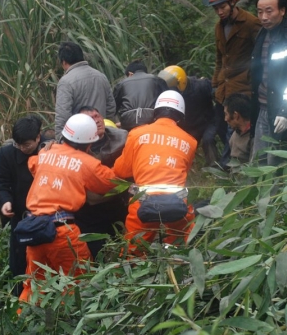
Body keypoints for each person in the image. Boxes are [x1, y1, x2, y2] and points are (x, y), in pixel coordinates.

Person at [19, 114, 117, 302]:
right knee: (78, 283)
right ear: (89, 143)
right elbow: (110, 182)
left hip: (34, 229)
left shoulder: (47, 151)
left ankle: (23, 322)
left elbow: (33, 165)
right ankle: (73, 325)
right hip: (62, 232)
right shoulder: (87, 163)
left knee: (34, 286)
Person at [113, 90, 197, 254]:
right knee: (179, 248)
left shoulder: (136, 134)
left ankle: (134, 276)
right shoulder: (190, 141)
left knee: (133, 253)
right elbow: (183, 171)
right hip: (178, 205)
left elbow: (121, 171)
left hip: (142, 202)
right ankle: (175, 269)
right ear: (180, 116)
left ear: (155, 112)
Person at [202, 0, 261, 168]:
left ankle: (230, 166)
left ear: (232, 3)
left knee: (233, 129)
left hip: (242, 87)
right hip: (223, 88)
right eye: (216, 9)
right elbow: (220, 58)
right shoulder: (219, 27)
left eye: (222, 7)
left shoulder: (250, 23)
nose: (219, 12)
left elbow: (260, 55)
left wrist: (254, 81)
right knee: (220, 126)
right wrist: (215, 84)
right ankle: (227, 162)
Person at [250, 0, 287, 165]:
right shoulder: (263, 34)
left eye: (269, 11)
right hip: (263, 105)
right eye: (260, 12)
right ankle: (258, 192)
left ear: (282, 11)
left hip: (280, 108)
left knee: (276, 162)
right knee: (259, 159)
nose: (264, 17)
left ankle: (276, 192)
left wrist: (286, 111)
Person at [0, 115, 44, 296]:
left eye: (27, 145)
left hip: (47, 218)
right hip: (20, 217)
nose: (22, 148)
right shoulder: (7, 153)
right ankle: (19, 300)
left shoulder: (50, 150)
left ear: (38, 137)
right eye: (18, 144)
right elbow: (0, 181)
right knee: (19, 264)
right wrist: (5, 201)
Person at [75, 106, 128, 258]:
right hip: (88, 214)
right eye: (91, 118)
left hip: (118, 207)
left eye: (97, 115)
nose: (97, 120)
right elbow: (91, 197)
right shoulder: (74, 146)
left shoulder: (122, 138)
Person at [54, 41, 116, 139]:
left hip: (80, 138)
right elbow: (111, 107)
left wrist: (60, 140)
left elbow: (62, 114)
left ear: (64, 62)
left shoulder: (66, 81)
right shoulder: (101, 76)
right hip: (101, 135)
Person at [158, 66, 215, 165]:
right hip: (188, 126)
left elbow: (217, 95)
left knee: (208, 139)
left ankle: (214, 168)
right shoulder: (169, 93)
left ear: (181, 82)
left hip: (206, 122)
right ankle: (178, 165)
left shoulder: (201, 85)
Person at [113, 60, 167, 131]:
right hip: (152, 120)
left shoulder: (121, 84)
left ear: (130, 74)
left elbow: (113, 108)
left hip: (129, 121)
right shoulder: (157, 80)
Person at [224, 93, 253, 164]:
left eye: (226, 114)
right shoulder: (236, 131)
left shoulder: (253, 138)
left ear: (236, 115)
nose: (225, 119)